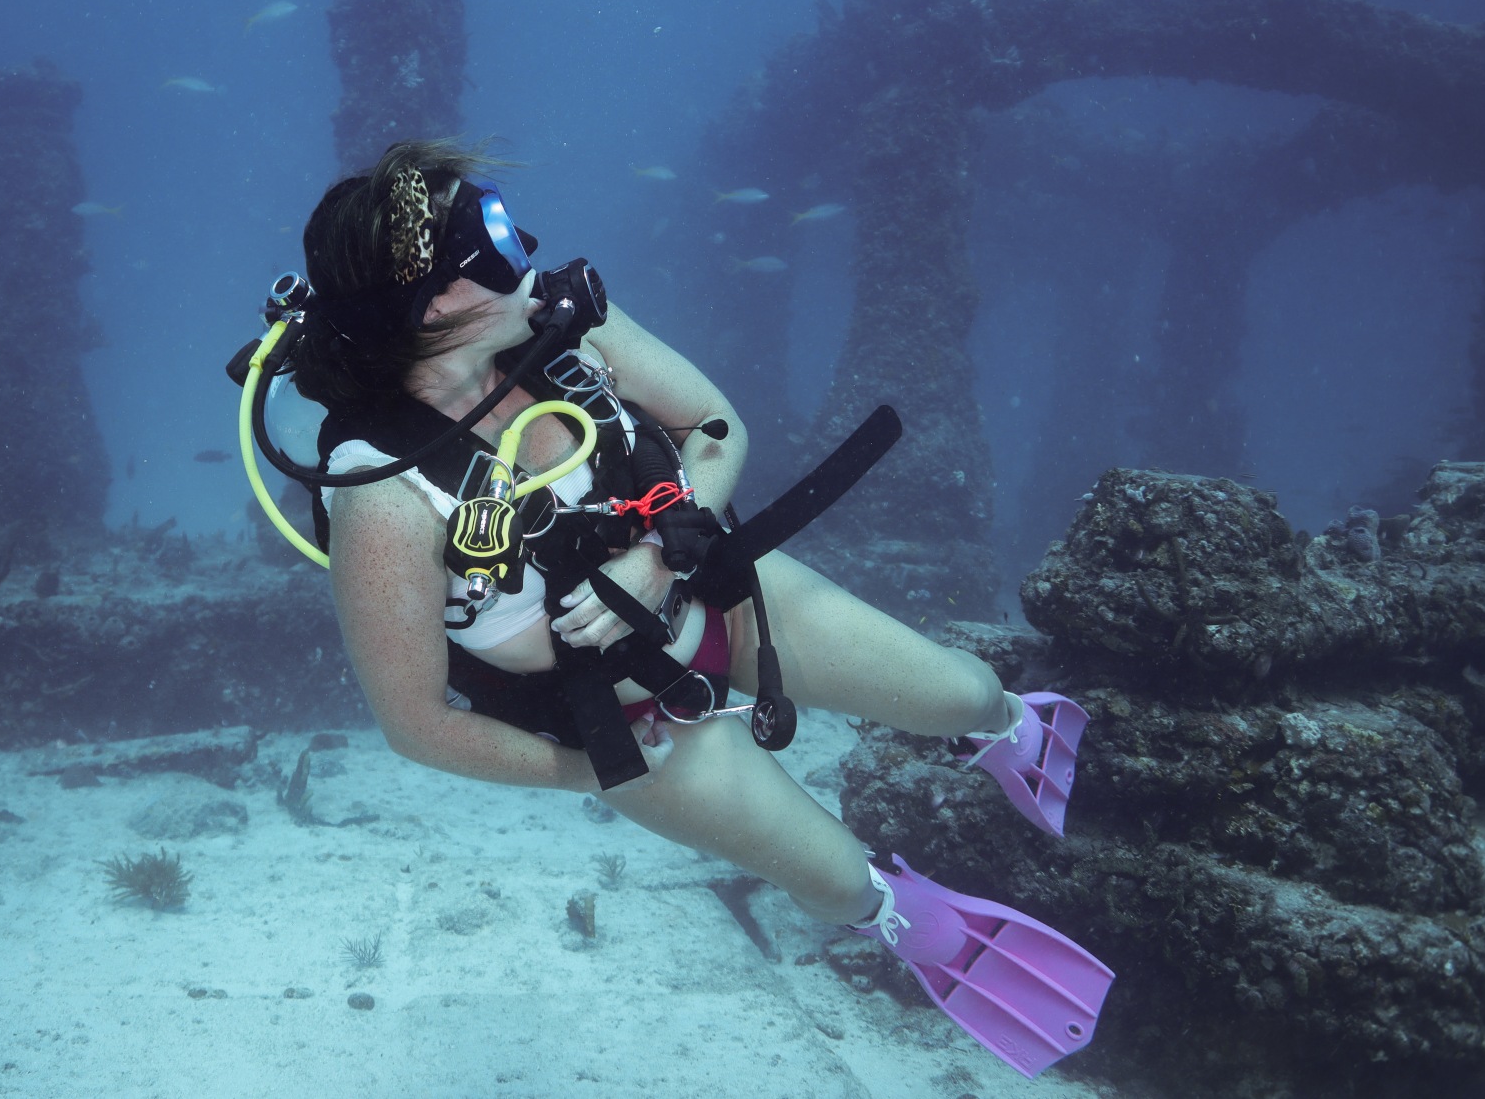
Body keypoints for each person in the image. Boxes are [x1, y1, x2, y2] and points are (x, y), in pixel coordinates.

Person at [254, 139, 1112, 1078]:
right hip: (622, 718)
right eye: (490, 236)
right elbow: (414, 723)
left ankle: (1012, 734)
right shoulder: (381, 499)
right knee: (835, 881)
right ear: (439, 304)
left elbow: (714, 424)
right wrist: (585, 774)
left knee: (966, 689)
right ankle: (915, 923)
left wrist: (661, 557)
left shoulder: (565, 325)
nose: (524, 247)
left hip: (721, 594)